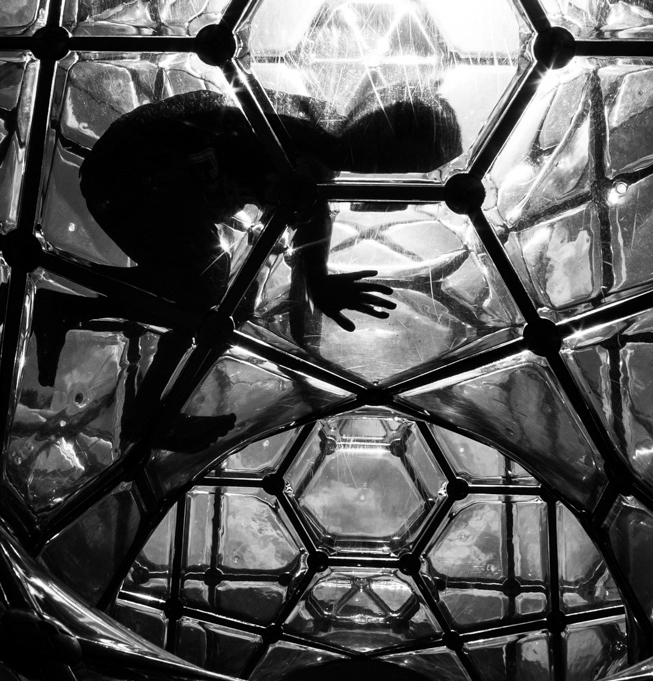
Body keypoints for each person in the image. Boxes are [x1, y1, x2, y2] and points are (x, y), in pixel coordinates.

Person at [27, 90, 462, 454]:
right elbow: (310, 203)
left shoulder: (317, 156)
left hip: (139, 177)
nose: (392, 182)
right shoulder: (316, 137)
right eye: (403, 164)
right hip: (136, 167)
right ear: (383, 127)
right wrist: (318, 283)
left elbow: (305, 232)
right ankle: (69, 314)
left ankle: (143, 411)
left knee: (212, 298)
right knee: (207, 286)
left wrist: (309, 333)